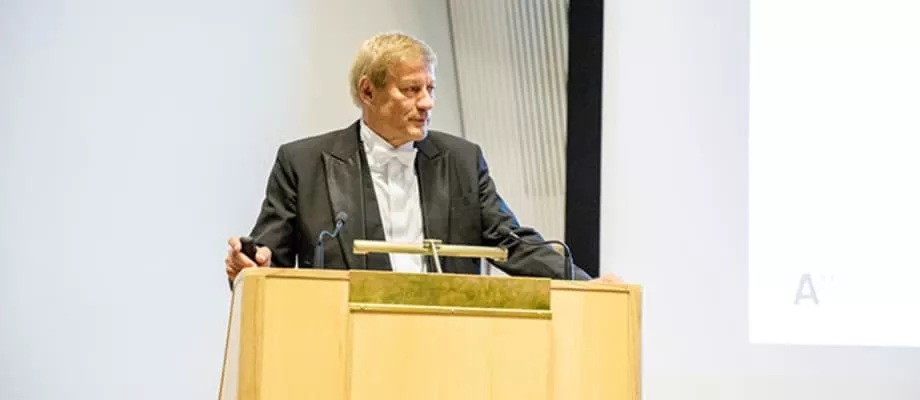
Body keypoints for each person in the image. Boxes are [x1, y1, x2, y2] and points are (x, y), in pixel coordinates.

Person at [224, 31, 619, 284]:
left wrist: (584, 284)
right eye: (411, 90)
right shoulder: (303, 164)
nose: (427, 103)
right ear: (367, 91)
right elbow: (266, 261)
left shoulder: (462, 161)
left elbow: (513, 243)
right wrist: (251, 267)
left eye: (430, 88)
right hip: (343, 349)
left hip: (444, 345)